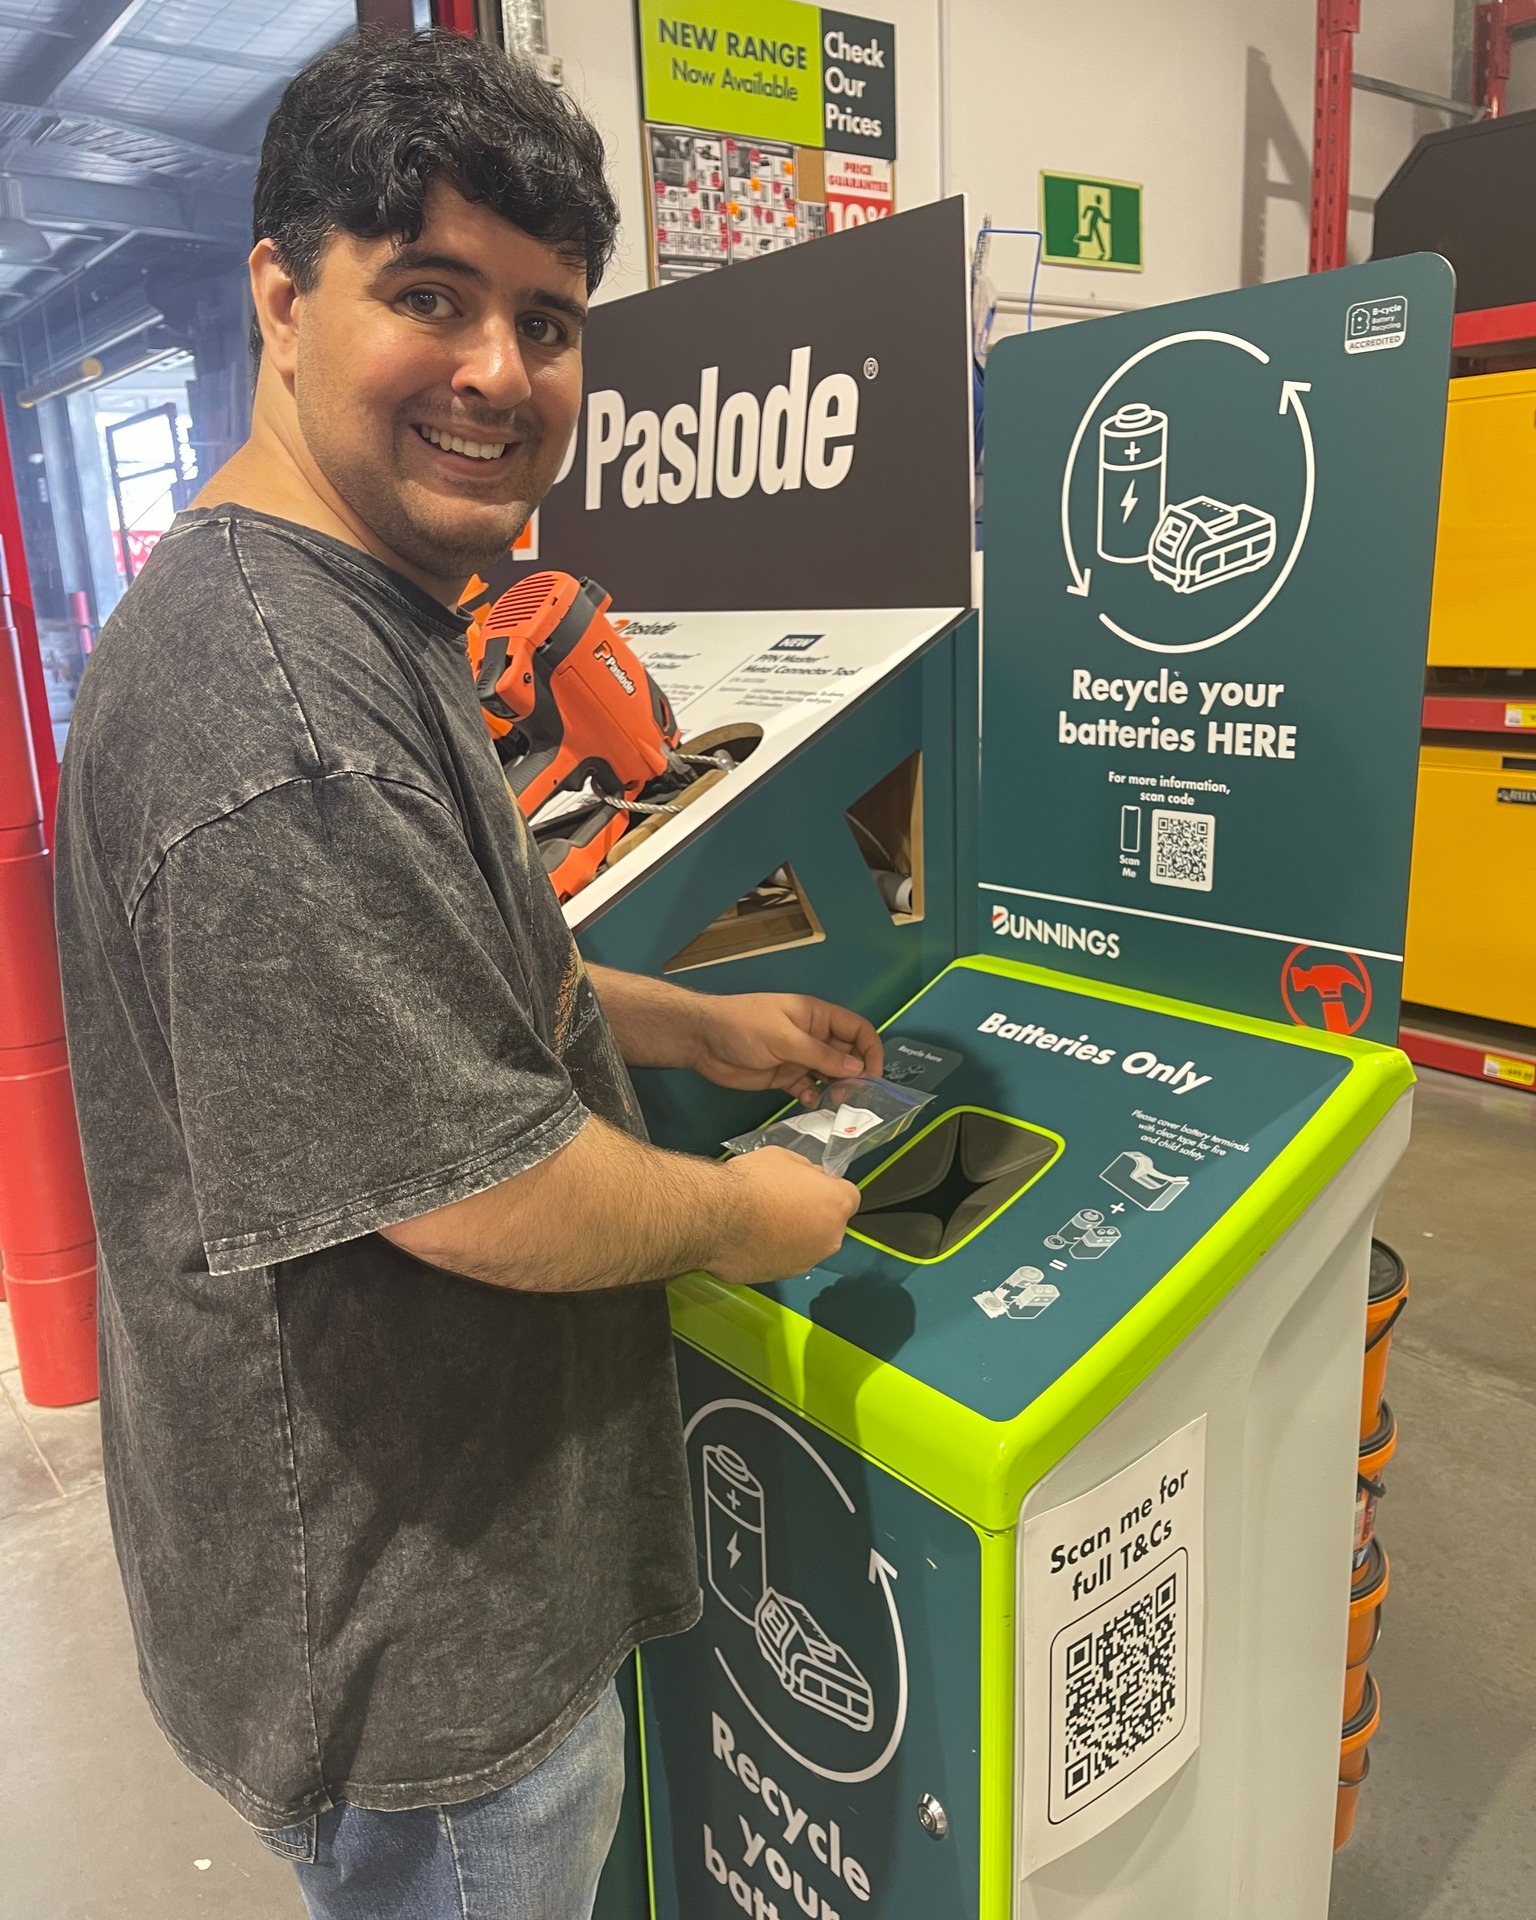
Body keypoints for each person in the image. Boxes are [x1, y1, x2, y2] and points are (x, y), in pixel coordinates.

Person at [53, 30, 874, 1920]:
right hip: (418, 1655)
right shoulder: (277, 707)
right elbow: (477, 1190)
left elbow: (449, 977)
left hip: (424, 1572)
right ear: (281, 294)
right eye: (430, 295)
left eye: (551, 317)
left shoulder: (366, 606)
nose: (503, 373)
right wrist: (750, 1216)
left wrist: (692, 1024)